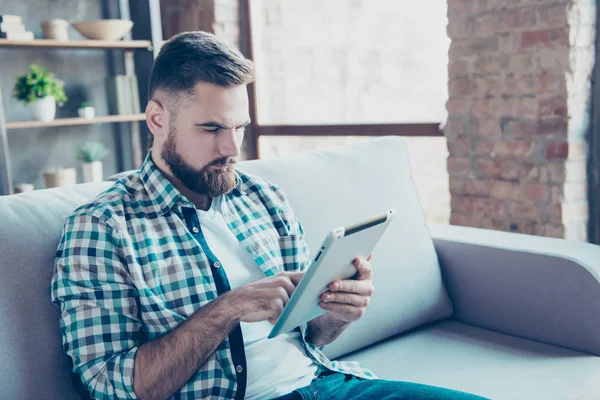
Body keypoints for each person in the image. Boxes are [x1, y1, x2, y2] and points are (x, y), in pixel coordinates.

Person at [51, 31, 487, 400]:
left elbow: (310, 335)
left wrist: (336, 313)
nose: (232, 148)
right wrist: (224, 312)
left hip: (323, 384)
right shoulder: (103, 228)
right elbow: (107, 386)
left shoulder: (264, 198)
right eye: (212, 128)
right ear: (157, 119)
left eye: (239, 127)